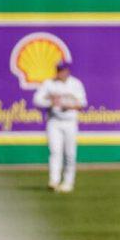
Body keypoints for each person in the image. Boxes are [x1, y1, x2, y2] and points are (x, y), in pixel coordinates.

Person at [32, 61, 86, 193]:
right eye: (58, 70)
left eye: (63, 70)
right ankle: (54, 181)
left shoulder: (75, 84)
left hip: (70, 122)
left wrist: (68, 106)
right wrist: (50, 102)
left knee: (70, 154)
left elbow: (82, 103)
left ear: (68, 71)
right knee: (55, 152)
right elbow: (36, 100)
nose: (61, 73)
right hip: (54, 122)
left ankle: (68, 182)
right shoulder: (49, 84)